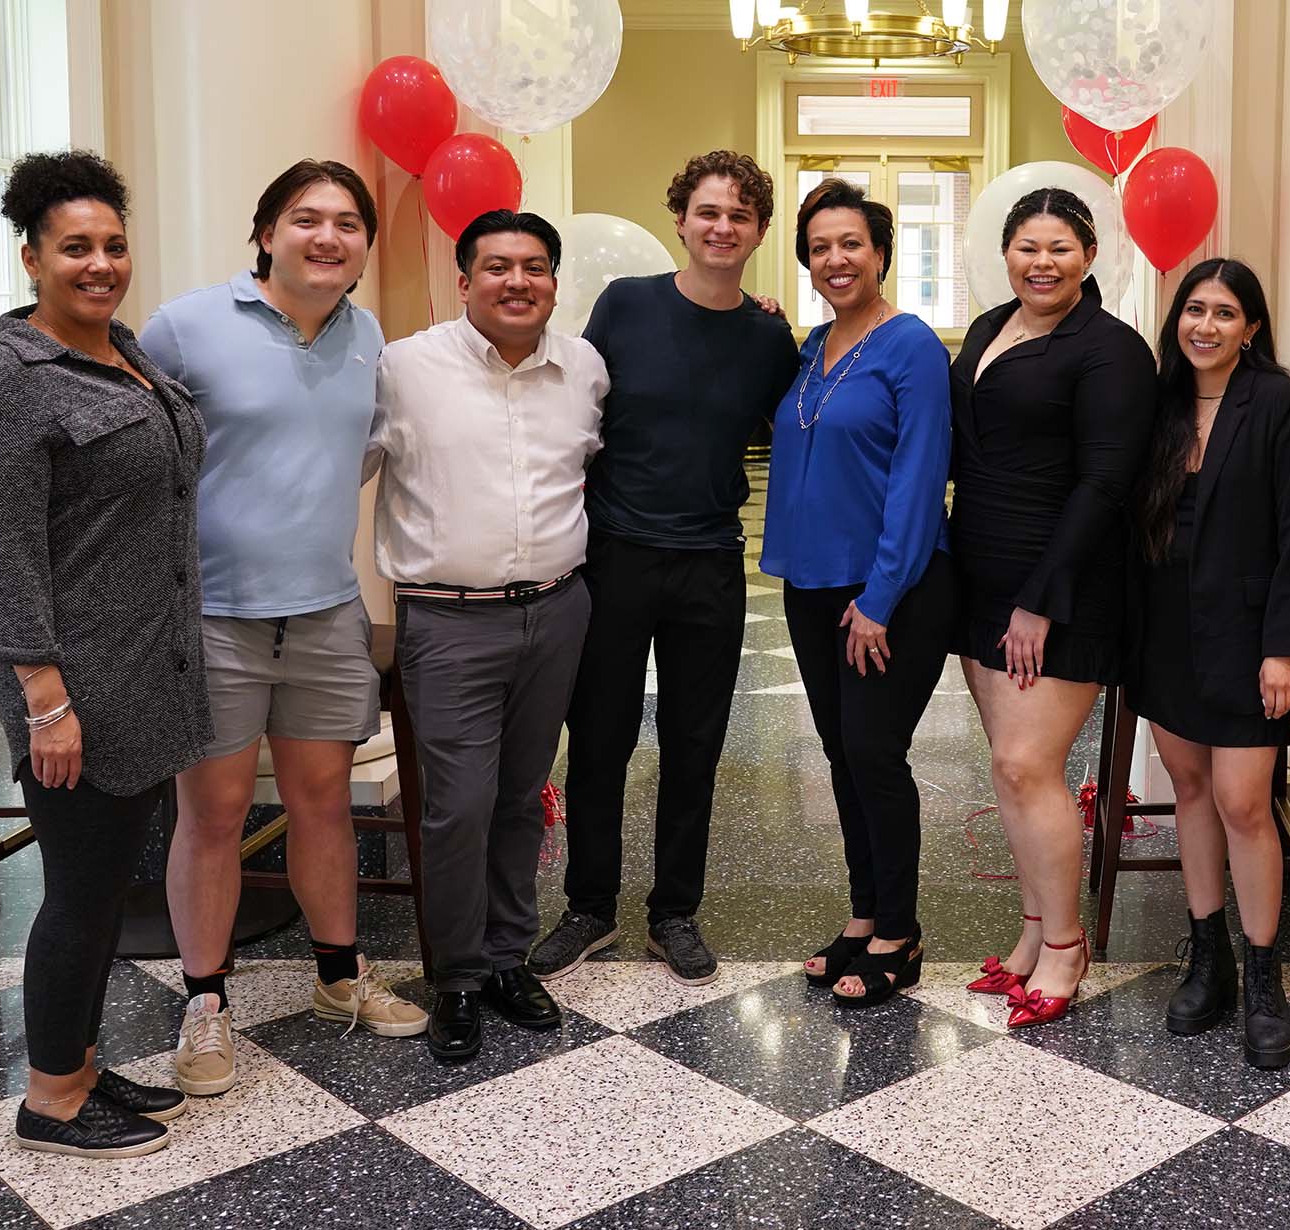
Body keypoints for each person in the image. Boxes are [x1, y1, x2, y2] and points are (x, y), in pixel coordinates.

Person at [140, 160, 424, 1097]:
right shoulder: (185, 328)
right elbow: (133, 462)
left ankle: (338, 975)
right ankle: (207, 1004)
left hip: (324, 612)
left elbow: (358, 452)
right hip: (212, 617)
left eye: (348, 223)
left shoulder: (365, 333)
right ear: (265, 231)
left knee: (324, 805)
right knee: (215, 814)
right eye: (307, 218)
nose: (328, 237)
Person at [0, 150, 209, 1156]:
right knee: (79, 895)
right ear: (31, 258)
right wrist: (47, 702)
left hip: (145, 674)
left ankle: (81, 1063)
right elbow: (4, 561)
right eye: (75, 248)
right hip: (77, 687)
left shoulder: (123, 356)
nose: (99, 263)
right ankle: (50, 1100)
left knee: (102, 888)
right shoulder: (7, 386)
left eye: (112, 244)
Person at [528, 151, 799, 989]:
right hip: (615, 553)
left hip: (710, 559)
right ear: (681, 219)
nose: (723, 227)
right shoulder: (628, 303)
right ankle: (590, 907)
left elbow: (794, 424)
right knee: (601, 737)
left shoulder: (766, 334)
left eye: (741, 216)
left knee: (695, 743)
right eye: (708, 212)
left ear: (758, 231)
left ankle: (674, 911)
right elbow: (578, 406)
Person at [367, 210, 607, 1062]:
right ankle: (457, 977)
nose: (518, 282)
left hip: (557, 610)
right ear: (465, 280)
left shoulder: (581, 367)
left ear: (553, 280)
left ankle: (508, 957)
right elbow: (335, 468)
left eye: (535, 267)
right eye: (498, 267)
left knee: (521, 795)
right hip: (448, 619)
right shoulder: (401, 369)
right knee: (458, 805)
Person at [952, 188, 1155, 1030]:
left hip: (1060, 587)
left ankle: (1068, 946)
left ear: (1089, 256)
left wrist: (1039, 600)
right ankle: (1033, 932)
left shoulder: (1110, 350)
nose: (1043, 263)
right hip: (980, 572)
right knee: (1008, 765)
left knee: (1032, 767)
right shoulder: (989, 325)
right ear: (1005, 253)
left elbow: (1106, 482)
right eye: (1028, 247)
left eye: (1061, 249)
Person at [1125, 258, 1290, 1066]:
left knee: (1246, 802)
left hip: (1247, 638)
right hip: (1166, 630)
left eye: (1225, 312)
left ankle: (1263, 971)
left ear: (1251, 327)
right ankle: (1207, 958)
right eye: (1194, 310)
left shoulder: (1275, 400)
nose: (1205, 325)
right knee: (1194, 790)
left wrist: (1283, 649)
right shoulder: (1159, 401)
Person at [765, 179, 955, 1005]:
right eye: (819, 247)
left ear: (881, 251)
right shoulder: (812, 345)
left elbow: (919, 480)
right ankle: (863, 910)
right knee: (844, 754)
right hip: (811, 585)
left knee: (876, 753)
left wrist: (879, 598)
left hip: (892, 588)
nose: (835, 259)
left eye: (851, 243)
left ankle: (901, 930)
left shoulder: (910, 345)